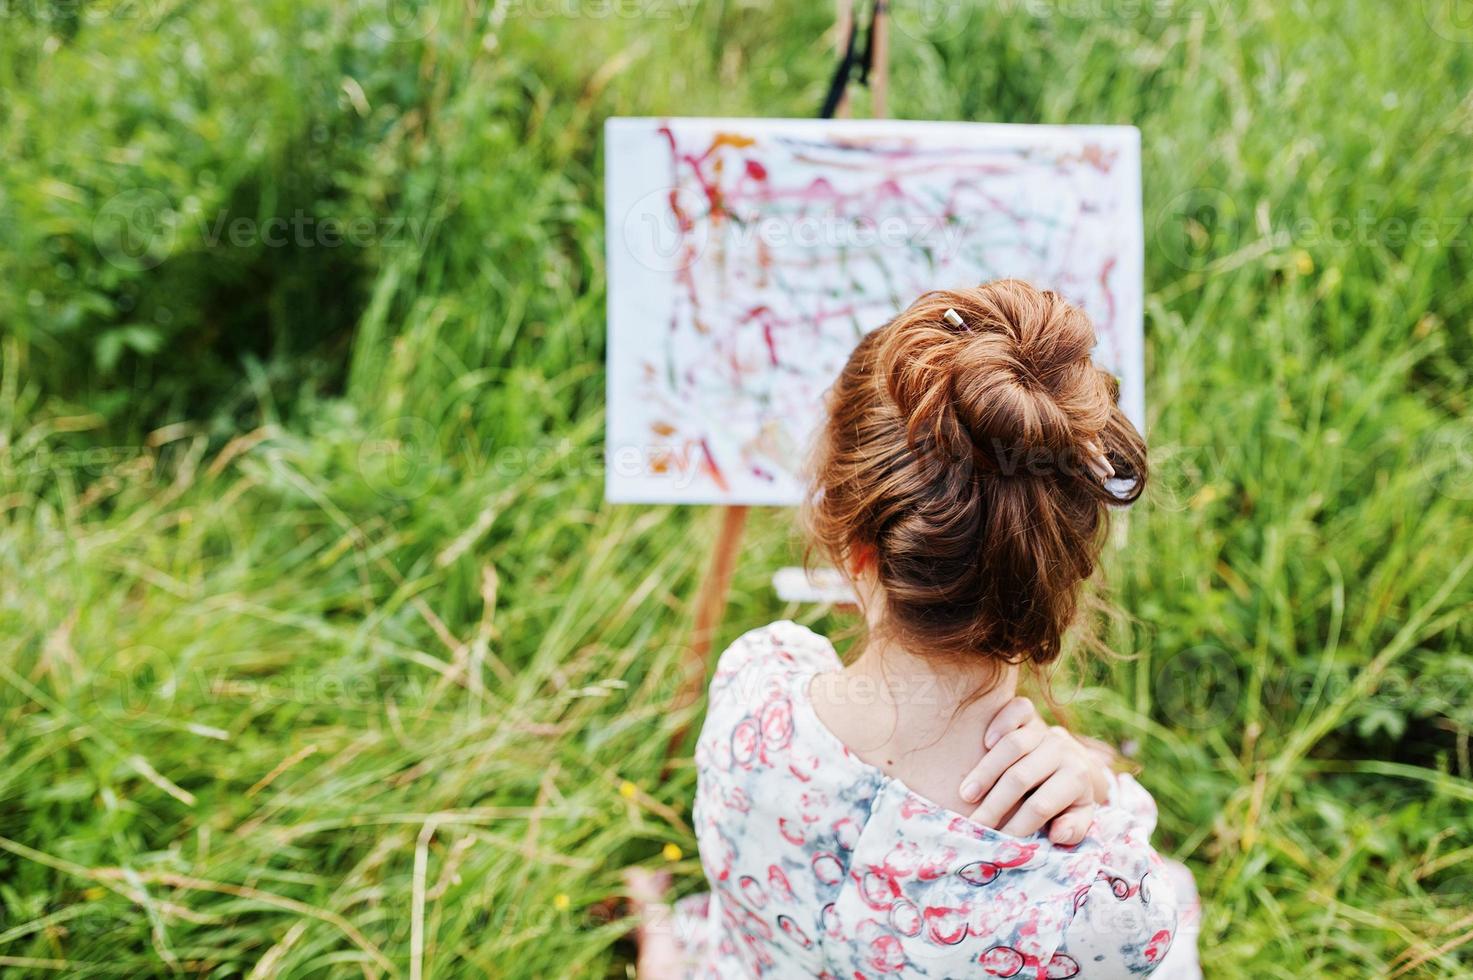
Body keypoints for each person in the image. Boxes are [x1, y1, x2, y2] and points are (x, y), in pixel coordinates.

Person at [628, 280, 1201, 977]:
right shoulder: (1099, 891)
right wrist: (1102, 787)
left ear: (856, 549)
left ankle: (655, 927)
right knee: (1181, 897)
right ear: (1064, 567)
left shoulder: (752, 689)